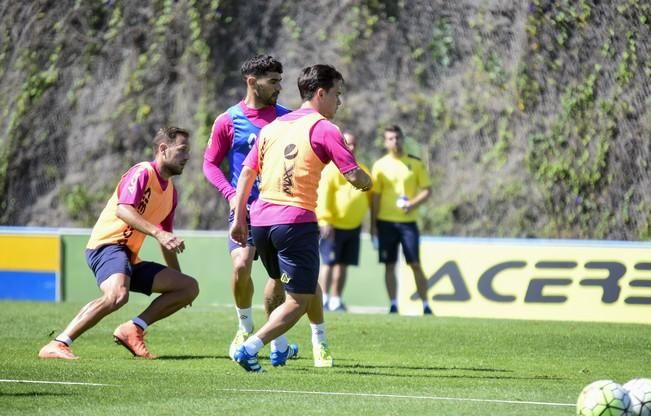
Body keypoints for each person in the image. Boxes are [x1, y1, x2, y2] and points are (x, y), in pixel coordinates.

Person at [229, 64, 372, 372]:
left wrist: (239, 218)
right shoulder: (324, 128)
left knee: (285, 282)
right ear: (321, 93)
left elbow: (246, 174)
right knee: (299, 299)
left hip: (262, 223)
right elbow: (353, 176)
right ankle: (251, 346)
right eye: (337, 94)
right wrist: (368, 181)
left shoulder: (272, 127)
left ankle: (284, 348)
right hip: (294, 222)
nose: (339, 102)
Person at [38, 127, 199, 360]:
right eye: (182, 150)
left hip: (129, 257)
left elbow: (167, 239)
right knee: (117, 295)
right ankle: (58, 343)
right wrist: (159, 233)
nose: (187, 157)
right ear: (163, 149)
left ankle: (133, 329)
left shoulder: (171, 193)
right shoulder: (142, 172)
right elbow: (123, 210)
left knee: (188, 287)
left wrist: (178, 281)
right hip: (106, 246)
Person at [202, 55, 297, 366]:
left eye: (280, 81)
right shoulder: (228, 120)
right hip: (245, 209)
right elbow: (210, 164)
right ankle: (244, 327)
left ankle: (276, 340)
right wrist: (231, 195)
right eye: (273, 81)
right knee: (242, 264)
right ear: (251, 81)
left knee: (277, 278)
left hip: (280, 211)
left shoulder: (287, 119)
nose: (279, 87)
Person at [370, 125, 432, 315]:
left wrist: (411, 205)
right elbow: (375, 197)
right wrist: (373, 226)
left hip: (408, 223)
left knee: (415, 263)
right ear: (385, 142)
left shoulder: (415, 163)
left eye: (397, 138)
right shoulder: (379, 165)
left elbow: (427, 190)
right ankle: (393, 304)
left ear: (402, 139)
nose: (394, 142)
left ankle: (426, 305)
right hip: (385, 222)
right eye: (390, 138)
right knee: (389, 265)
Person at [315, 131, 370, 312]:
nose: (351, 148)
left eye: (354, 144)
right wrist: (325, 220)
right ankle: (323, 299)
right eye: (347, 144)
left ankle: (336, 299)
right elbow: (323, 196)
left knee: (343, 264)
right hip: (333, 226)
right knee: (329, 264)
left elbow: (368, 194)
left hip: (353, 226)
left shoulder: (363, 169)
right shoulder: (331, 169)